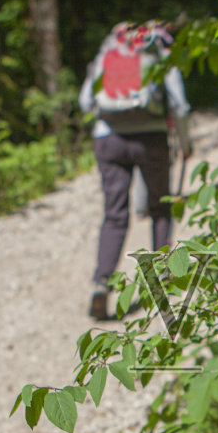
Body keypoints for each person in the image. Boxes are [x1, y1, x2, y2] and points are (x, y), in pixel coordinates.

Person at [79, 20, 191, 321]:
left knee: (114, 214)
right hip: (151, 139)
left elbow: (85, 101)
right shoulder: (159, 55)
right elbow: (180, 106)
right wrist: (185, 143)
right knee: (160, 208)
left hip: (108, 138)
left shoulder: (107, 53)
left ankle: (101, 285)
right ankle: (161, 285)